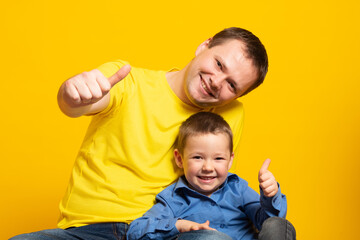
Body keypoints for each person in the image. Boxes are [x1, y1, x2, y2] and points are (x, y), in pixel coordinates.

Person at [11, 27, 271, 240]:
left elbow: (214, 185)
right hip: (93, 228)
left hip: (167, 231)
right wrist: (72, 94)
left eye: (232, 85)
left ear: (237, 96)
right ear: (204, 46)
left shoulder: (230, 114)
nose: (217, 81)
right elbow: (78, 103)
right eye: (218, 63)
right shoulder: (128, 81)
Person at [126, 112, 295, 240]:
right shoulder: (173, 199)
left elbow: (265, 222)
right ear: (179, 159)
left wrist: (270, 195)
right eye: (197, 157)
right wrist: (180, 225)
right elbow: (135, 230)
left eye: (218, 158)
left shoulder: (238, 188)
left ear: (230, 161)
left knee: (278, 225)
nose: (208, 167)